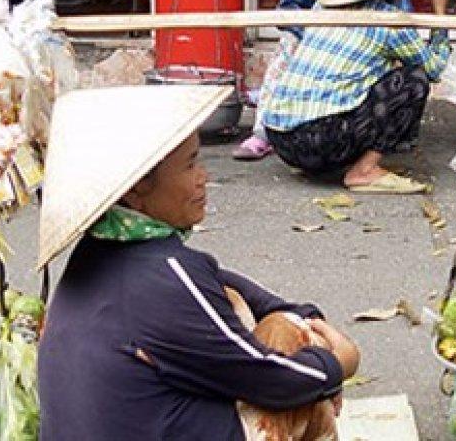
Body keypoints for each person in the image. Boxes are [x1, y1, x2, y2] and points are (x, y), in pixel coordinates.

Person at [37, 86, 359, 440]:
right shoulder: (164, 276)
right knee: (304, 387)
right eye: (190, 164)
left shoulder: (105, 252)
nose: (204, 177)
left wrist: (304, 316)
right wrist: (339, 362)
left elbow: (228, 284)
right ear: (136, 188)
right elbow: (271, 379)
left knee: (285, 323)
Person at [260, 0, 451, 194]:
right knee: (413, 81)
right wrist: (440, 17)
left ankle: (323, 166)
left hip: (280, 138)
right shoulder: (387, 20)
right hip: (318, 142)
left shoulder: (322, 7)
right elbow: (433, 69)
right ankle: (364, 170)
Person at [233, 0, 411, 161]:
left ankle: (382, 137)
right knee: (288, 45)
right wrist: (316, 34)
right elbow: (288, 7)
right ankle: (263, 132)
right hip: (316, 46)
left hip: (363, 52)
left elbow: (402, 24)